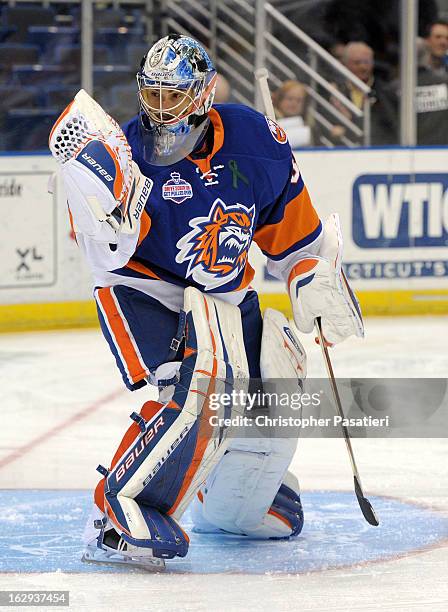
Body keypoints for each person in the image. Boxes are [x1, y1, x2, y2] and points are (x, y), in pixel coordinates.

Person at [49, 34, 363, 569]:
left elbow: (294, 239)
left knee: (275, 384)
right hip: (143, 286)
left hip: (224, 291)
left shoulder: (256, 141)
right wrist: (110, 216)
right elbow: (106, 252)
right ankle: (114, 515)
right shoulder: (125, 157)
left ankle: (234, 507)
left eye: (175, 95)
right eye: (154, 94)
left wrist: (311, 277)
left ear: (203, 94)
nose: (162, 108)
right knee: (199, 384)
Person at [273, 80, 311, 147]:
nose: (294, 104)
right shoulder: (267, 121)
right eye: (290, 99)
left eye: (299, 100)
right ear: (279, 100)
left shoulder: (311, 125)